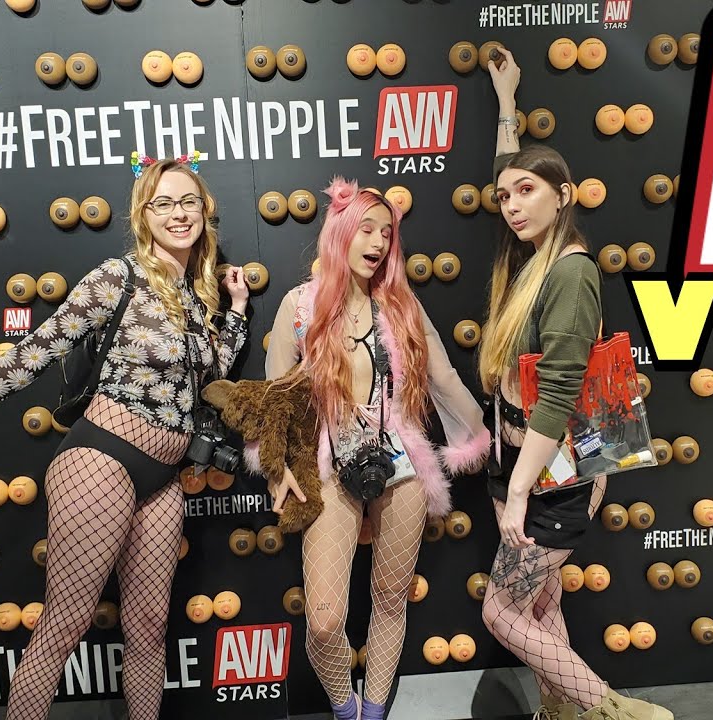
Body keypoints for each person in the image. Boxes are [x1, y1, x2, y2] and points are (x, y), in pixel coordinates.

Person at [0, 156, 251, 720]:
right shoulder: (118, 277)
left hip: (164, 478)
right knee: (65, 623)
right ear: (143, 215)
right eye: (164, 203)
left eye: (189, 201)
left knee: (149, 628)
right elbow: (35, 352)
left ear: (204, 211)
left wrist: (236, 310)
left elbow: (213, 374)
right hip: (103, 459)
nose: (179, 213)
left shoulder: (198, 297)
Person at [478, 50, 673, 720]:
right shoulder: (533, 259)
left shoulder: (569, 272)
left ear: (564, 195)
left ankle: (616, 712)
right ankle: (561, 713)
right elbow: (506, 172)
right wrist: (508, 101)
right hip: (525, 466)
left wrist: (517, 496)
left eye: (528, 192)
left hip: (553, 477)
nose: (511, 204)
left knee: (502, 613)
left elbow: (560, 395)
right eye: (505, 196)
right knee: (540, 603)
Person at [261, 178, 490, 720]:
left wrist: (489, 434)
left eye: (387, 233)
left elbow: (445, 379)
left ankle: (376, 710)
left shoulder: (401, 305)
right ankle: (345, 708)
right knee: (323, 619)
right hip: (328, 463)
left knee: (390, 599)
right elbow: (274, 400)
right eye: (366, 229)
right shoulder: (300, 306)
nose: (378, 242)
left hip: (401, 463)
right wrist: (275, 469)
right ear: (340, 232)